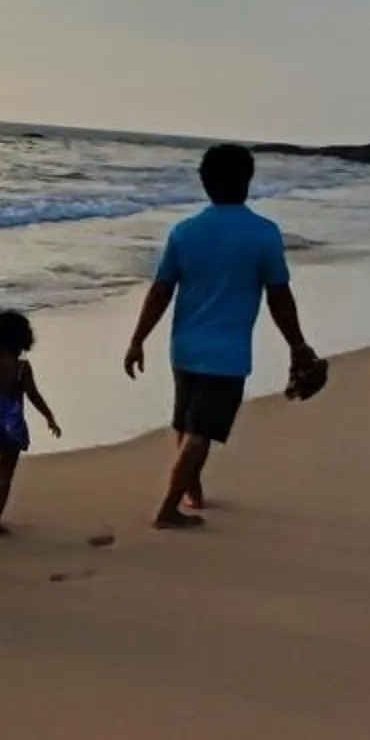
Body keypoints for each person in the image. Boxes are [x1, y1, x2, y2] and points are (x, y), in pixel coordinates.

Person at [122, 144, 317, 531]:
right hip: (227, 353)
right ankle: (168, 509)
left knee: (186, 421)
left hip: (184, 347)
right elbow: (279, 296)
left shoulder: (185, 232)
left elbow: (161, 291)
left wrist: (138, 339)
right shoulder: (263, 235)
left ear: (204, 182)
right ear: (247, 181)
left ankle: (191, 493)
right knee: (201, 431)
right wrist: (297, 344)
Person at [0, 310, 60, 535]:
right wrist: (49, 417)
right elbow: (33, 395)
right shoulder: (22, 368)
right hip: (12, 425)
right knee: (5, 473)